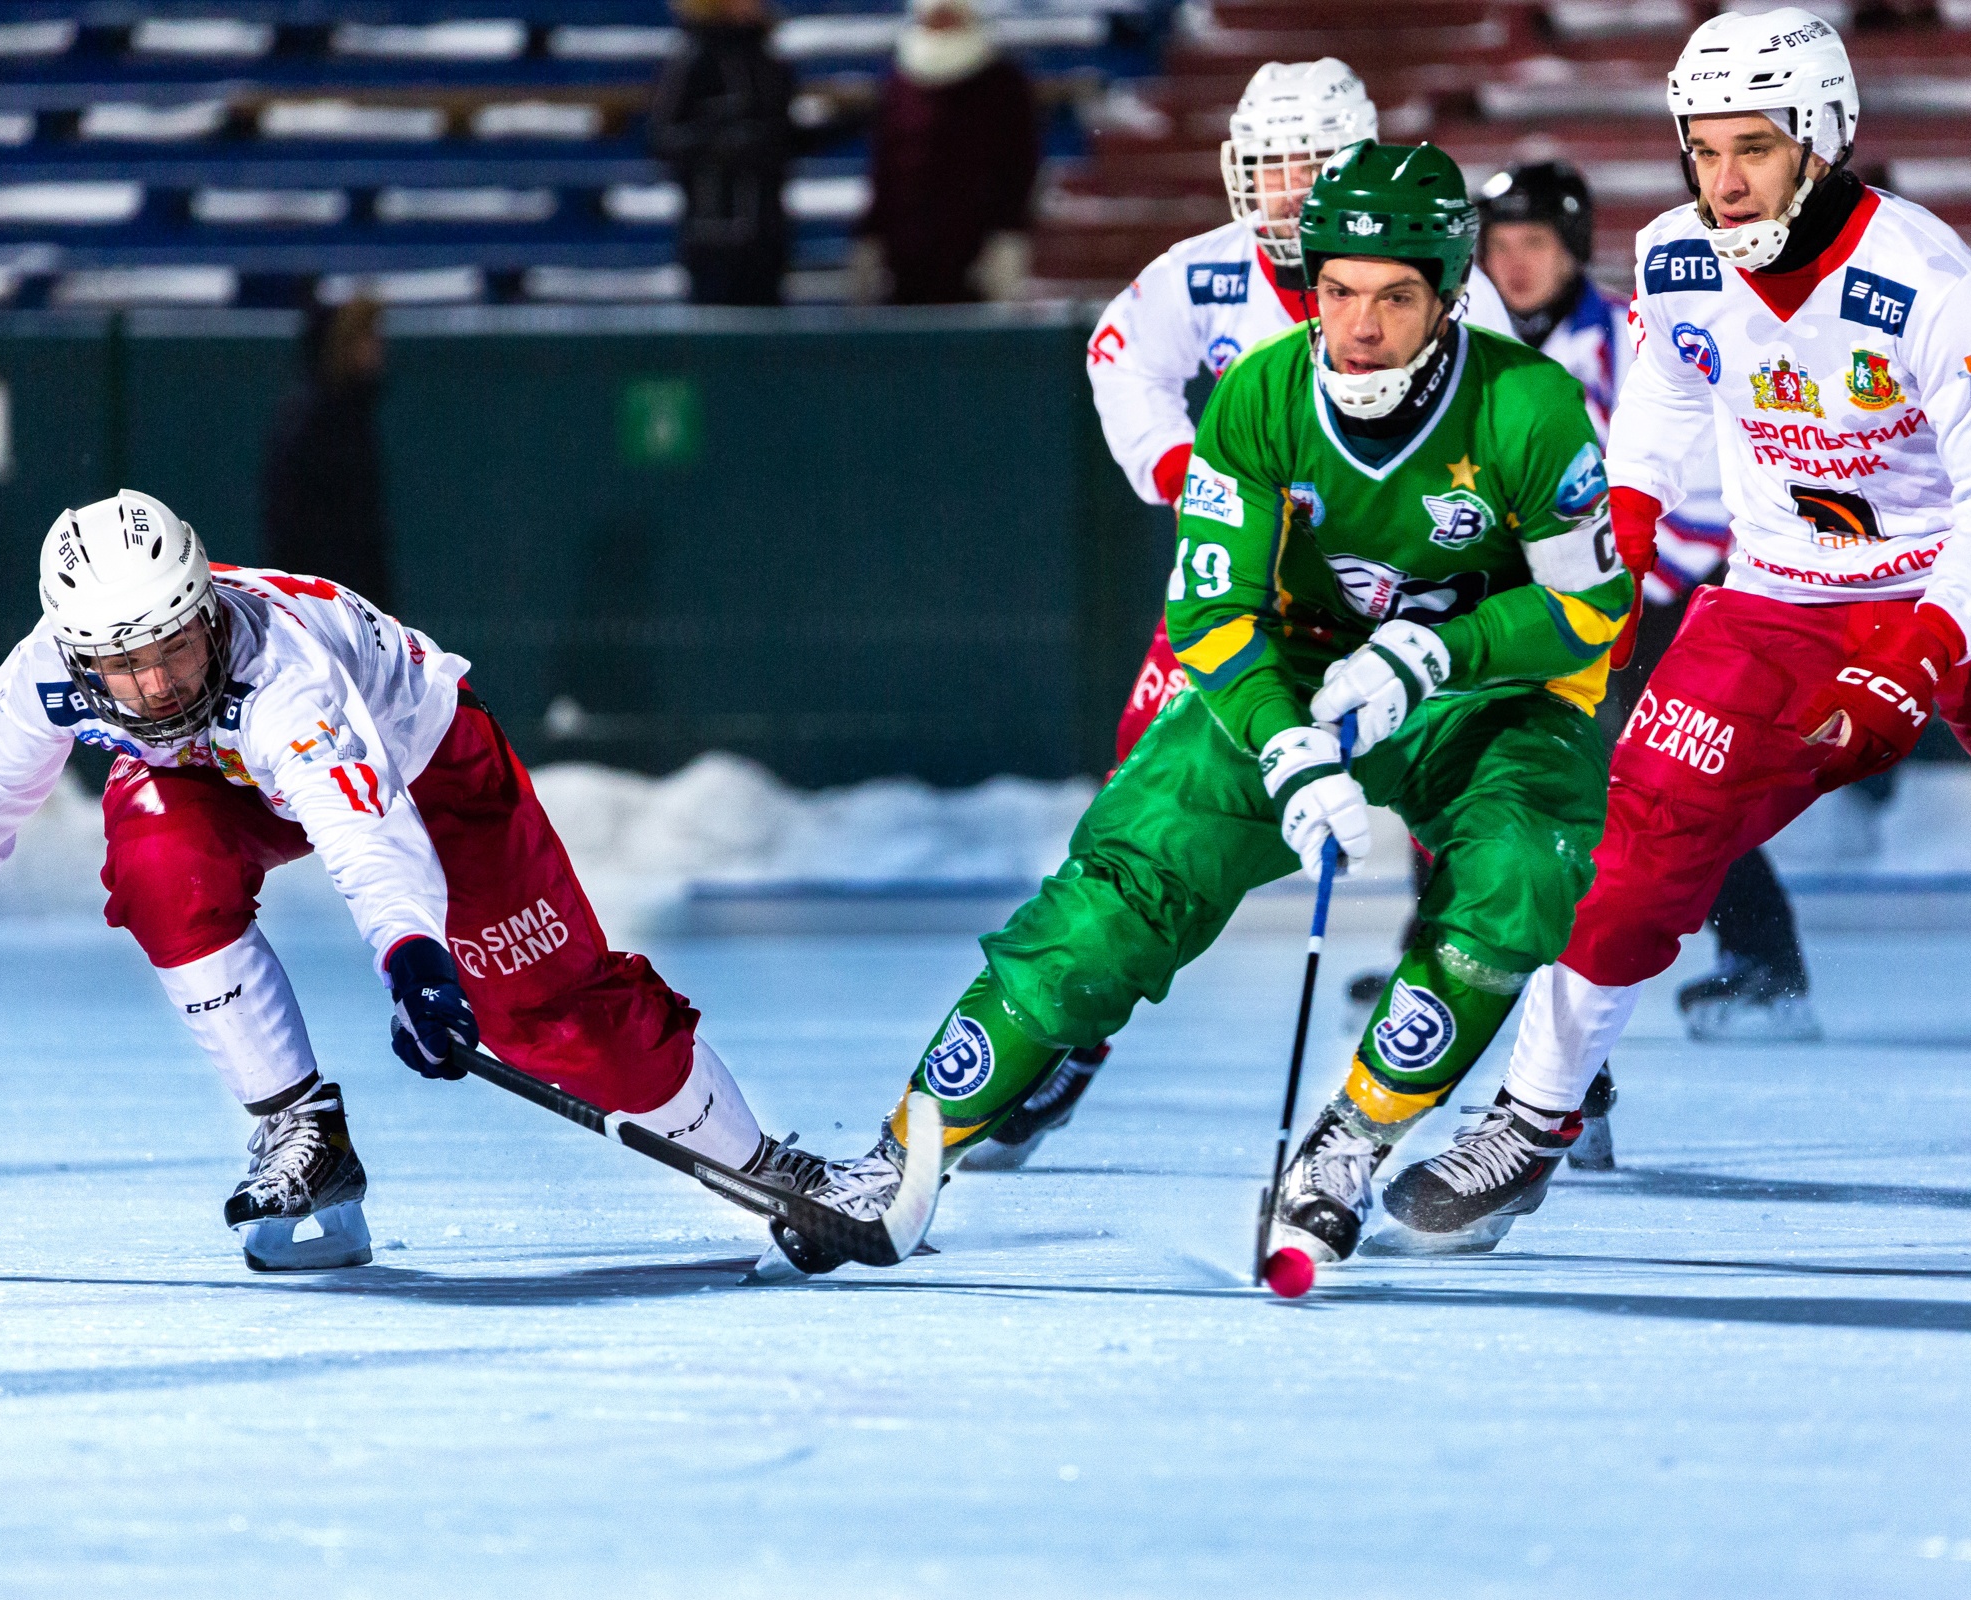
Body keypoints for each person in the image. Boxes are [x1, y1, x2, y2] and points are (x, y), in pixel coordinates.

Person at [764, 144, 1632, 1280]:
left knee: (1523, 870)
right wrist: (1290, 749)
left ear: (1450, 294)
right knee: (1123, 876)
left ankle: (1348, 1145)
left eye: (1394, 297)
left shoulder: (1530, 406)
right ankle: (906, 1149)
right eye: (1338, 291)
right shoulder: (1262, 396)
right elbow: (1214, 612)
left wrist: (1440, 647)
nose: (1359, 327)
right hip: (1300, 671)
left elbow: (1590, 605)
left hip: (1488, 693)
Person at [1391, 8, 1971, 1265]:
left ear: (1825, 139)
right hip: (1781, 591)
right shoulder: (1679, 256)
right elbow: (1665, 407)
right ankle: (1529, 1120)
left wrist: (1919, 647)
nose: (1723, 179)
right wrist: (1615, 544)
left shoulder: (1930, 281)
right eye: (1701, 148)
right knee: (1628, 844)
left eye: (1753, 146)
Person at [0, 491, 828, 1270]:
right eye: (122, 667)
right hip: (222, 778)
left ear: (206, 616)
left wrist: (417, 963)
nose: (156, 690)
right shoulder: (53, 668)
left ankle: (766, 1168)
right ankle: (302, 1132)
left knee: (538, 1010)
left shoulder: (284, 674)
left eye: (175, 650)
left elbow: (365, 825)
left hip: (423, 764)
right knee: (155, 861)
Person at [963, 62, 1520, 1170]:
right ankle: (1079, 1026)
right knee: (1145, 790)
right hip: (1248, 591)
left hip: (1403, 595)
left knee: (1477, 793)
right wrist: (1183, 470)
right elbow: (1120, 358)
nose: (1281, 193)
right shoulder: (1201, 274)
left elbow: (1513, 421)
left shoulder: (1438, 282)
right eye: (1266, 168)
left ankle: (1529, 1049)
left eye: (1307, 168)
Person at [1477, 161, 1818, 1172]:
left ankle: (1758, 963)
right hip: (1552, 602)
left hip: (1662, 593)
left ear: (1576, 248)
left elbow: (1706, 474)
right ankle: (1544, 1043)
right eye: (1499, 245)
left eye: (1534, 241)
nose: (1514, 262)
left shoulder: (1638, 328)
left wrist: (1635, 581)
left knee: (1664, 792)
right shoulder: (1482, 347)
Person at [853, 0, 1038, 305]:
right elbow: (885, 169)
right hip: (906, 256)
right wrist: (871, 238)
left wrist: (1007, 237)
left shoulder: (1002, 85)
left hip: (976, 256)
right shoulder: (900, 83)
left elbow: (1019, 166)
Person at [648, 0, 800, 307]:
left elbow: (783, 139)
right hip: (712, 234)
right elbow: (662, 139)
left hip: (766, 235)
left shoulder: (767, 61)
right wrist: (723, 142)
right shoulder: (693, 58)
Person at [260, 297, 391, 611]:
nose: (378, 348)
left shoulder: (352, 417)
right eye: (367, 338)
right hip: (326, 611)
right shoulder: (313, 425)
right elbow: (293, 534)